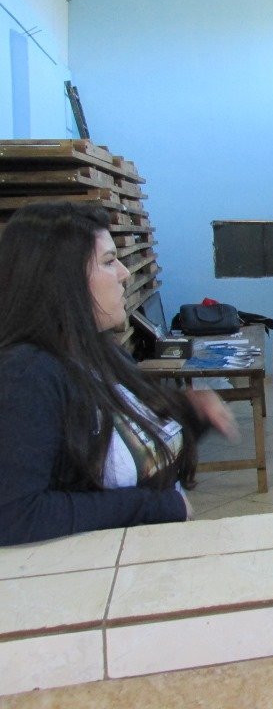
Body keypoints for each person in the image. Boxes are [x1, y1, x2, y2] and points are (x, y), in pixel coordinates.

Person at [0, 202, 238, 546]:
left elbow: (129, 453)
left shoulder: (101, 351)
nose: (125, 274)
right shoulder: (27, 375)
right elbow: (15, 515)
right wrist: (153, 506)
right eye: (109, 261)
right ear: (62, 278)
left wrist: (191, 416)